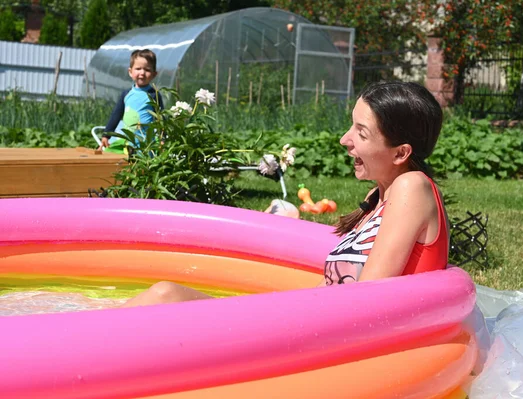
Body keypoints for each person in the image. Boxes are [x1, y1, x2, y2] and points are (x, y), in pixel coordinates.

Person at [122, 81, 448, 307]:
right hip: (314, 320)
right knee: (166, 296)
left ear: (400, 152)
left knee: (167, 296)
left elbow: (367, 298)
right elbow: (332, 292)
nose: (345, 140)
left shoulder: (412, 187)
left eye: (360, 133)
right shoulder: (380, 200)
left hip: (333, 336)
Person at [99, 49, 163, 151]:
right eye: (138, 68)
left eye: (147, 70)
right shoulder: (126, 94)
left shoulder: (154, 95)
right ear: (130, 72)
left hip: (147, 144)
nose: (142, 73)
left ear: (154, 74)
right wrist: (106, 135)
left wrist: (162, 138)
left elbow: (161, 118)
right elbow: (116, 115)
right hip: (128, 142)